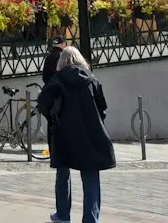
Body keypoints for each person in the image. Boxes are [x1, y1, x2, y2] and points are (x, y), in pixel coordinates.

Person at [37, 45, 114, 223]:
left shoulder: (57, 80)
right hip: (90, 134)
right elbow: (102, 107)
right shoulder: (92, 79)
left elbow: (43, 102)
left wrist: (53, 118)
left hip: (64, 134)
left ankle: (63, 215)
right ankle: (91, 219)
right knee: (90, 176)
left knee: (63, 173)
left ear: (61, 62)